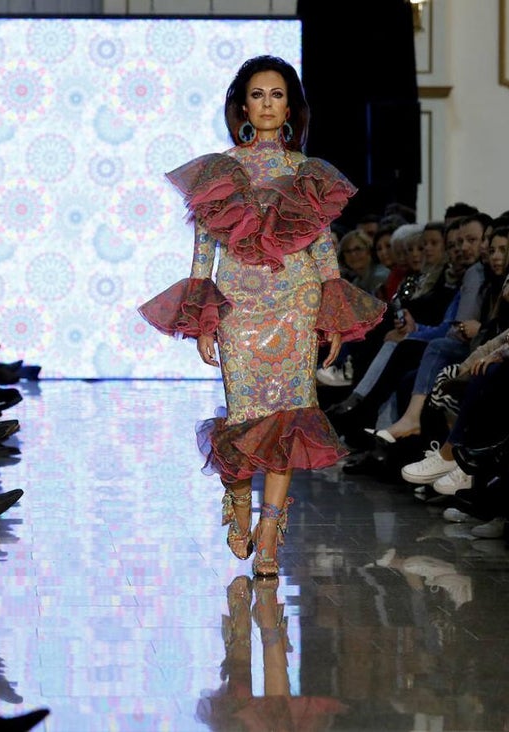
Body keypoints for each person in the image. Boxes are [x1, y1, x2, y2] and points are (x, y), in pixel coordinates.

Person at [139, 56, 384, 578]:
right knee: (247, 414)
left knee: (290, 417)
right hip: (237, 304)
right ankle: (238, 502)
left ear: (290, 106)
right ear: (243, 105)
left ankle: (270, 535)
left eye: (277, 95)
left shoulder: (308, 173)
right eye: (258, 94)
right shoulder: (220, 169)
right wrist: (203, 320)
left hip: (296, 299)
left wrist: (332, 316)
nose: (268, 104)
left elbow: (321, 247)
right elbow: (204, 246)